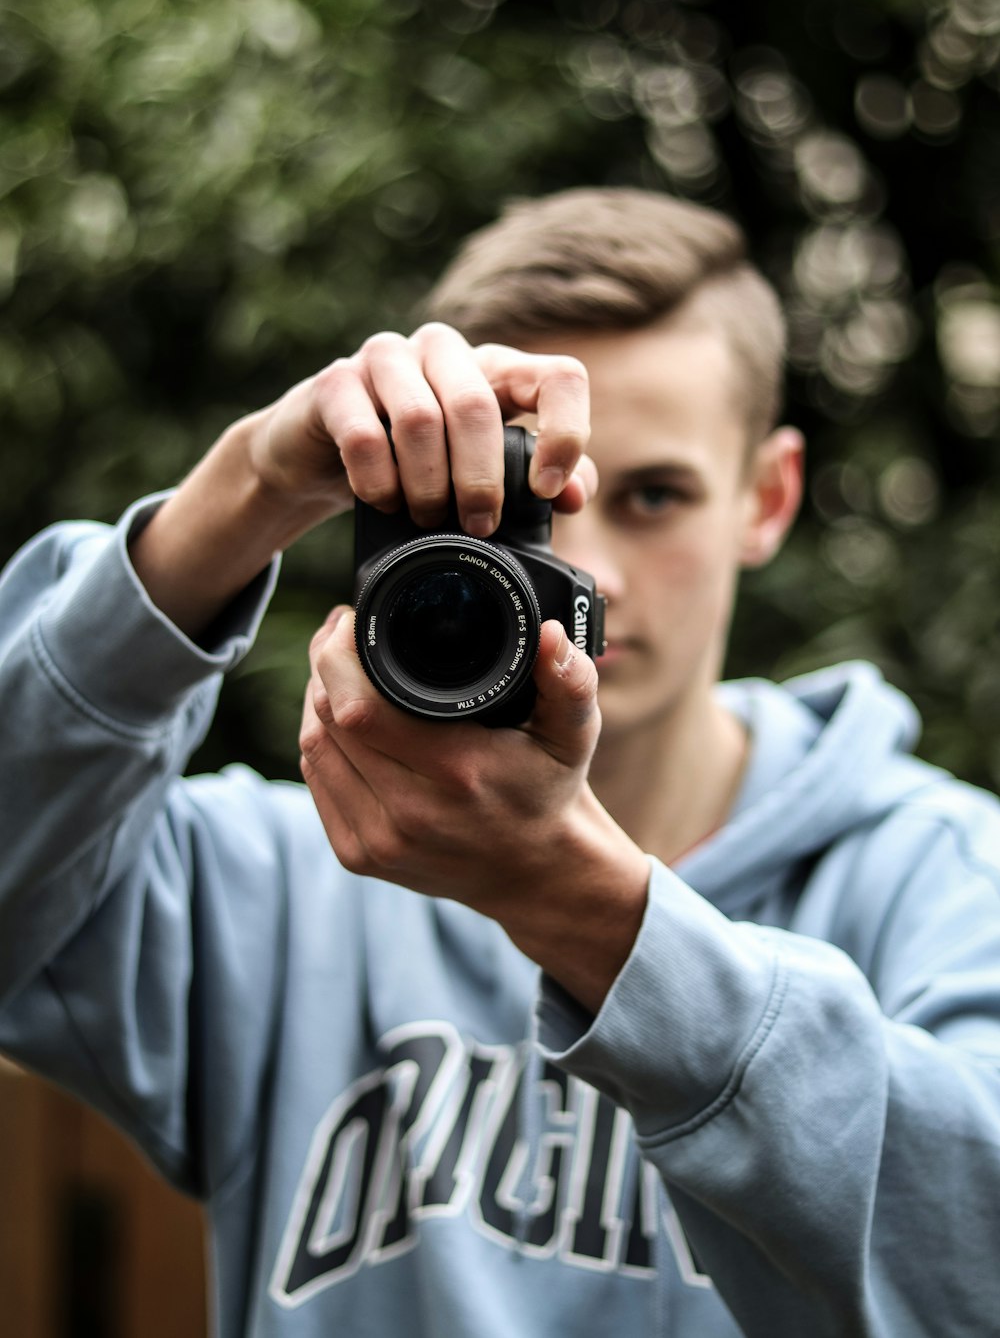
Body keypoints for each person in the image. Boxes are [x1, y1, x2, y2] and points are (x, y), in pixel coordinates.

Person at [1, 186, 999, 1338]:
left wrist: (578, 903)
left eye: (654, 495)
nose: (589, 573)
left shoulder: (942, 881)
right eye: (520, 506)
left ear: (765, 497)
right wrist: (246, 493)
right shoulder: (284, 883)